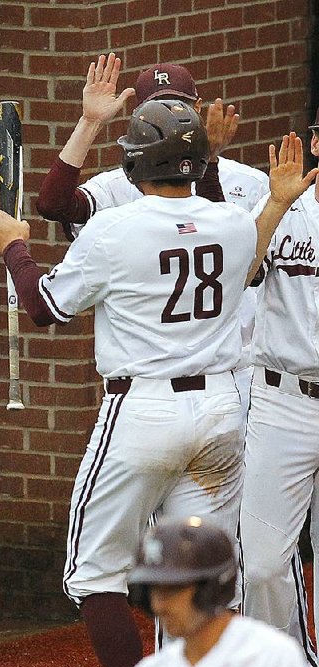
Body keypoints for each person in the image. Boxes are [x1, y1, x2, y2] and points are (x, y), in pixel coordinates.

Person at [0, 99, 315, 667]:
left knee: (94, 575)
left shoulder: (115, 228)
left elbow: (43, 307)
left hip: (141, 412)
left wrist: (15, 247)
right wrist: (274, 203)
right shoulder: (232, 220)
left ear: (136, 164)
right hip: (221, 413)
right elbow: (247, 259)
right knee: (198, 572)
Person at [36, 55, 268, 421]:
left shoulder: (250, 184)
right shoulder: (117, 184)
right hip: (148, 381)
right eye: (157, 107)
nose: (169, 115)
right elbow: (53, 204)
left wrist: (208, 161)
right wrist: (90, 122)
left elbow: (252, 272)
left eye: (178, 104)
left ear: (198, 108)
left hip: (234, 374)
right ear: (139, 118)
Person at [96, 517, 319, 667]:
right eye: (152, 590)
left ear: (211, 588)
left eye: (172, 589)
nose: (159, 604)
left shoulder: (268, 656)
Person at [239, 107, 319, 667]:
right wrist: (275, 204)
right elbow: (238, 274)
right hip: (282, 399)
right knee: (263, 563)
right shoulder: (283, 211)